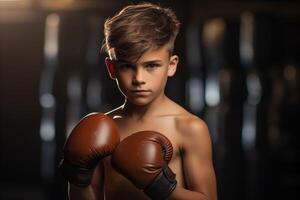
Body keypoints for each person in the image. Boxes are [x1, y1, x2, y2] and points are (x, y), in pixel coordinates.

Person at [60, 2, 217, 200]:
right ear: (111, 68)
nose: (139, 79)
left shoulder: (189, 127)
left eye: (151, 65)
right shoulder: (103, 128)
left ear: (171, 65)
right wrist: (78, 176)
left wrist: (160, 186)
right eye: (127, 66)